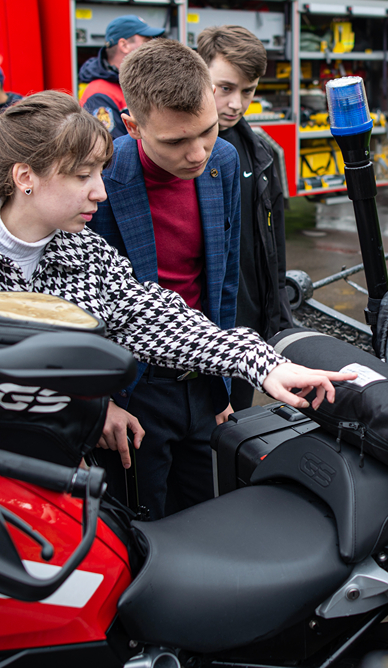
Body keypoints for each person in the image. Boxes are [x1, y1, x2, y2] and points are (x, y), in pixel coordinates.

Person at [0, 91, 351, 492]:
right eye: (82, 176)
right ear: (25, 177)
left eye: (100, 173)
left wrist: (266, 364)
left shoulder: (85, 252)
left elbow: (157, 317)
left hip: (51, 481)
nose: (101, 191)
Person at [86, 38, 260, 518]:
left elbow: (222, 281)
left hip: (202, 382)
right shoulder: (99, 179)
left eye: (205, 132)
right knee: (142, 525)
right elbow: (76, 305)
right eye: (175, 141)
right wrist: (100, 402)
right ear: (132, 126)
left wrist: (220, 386)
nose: (196, 152)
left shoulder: (223, 162)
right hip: (133, 392)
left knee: (206, 515)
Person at [196, 25, 292, 409]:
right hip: (196, 334)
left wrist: (278, 315)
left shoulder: (261, 152)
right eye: (225, 88)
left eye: (248, 91)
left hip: (248, 329)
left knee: (235, 437)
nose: (236, 103)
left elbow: (274, 247)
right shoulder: (183, 154)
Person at [79, 15, 164, 138]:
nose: (152, 47)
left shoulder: (134, 83)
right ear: (124, 45)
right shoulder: (100, 94)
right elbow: (111, 150)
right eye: (146, 41)